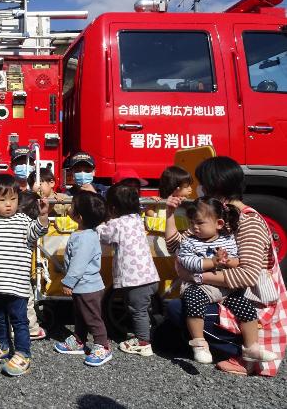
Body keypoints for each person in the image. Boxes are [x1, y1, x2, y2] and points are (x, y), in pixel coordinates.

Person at [165, 156, 287, 377]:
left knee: (178, 309)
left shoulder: (249, 222)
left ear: (215, 186)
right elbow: (176, 246)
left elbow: (248, 276)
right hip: (222, 291)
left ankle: (243, 353)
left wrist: (196, 276)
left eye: (202, 183)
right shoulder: (216, 215)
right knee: (174, 319)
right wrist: (170, 215)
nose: (199, 189)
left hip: (252, 299)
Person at [176, 197, 277, 365]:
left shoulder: (228, 240)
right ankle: (199, 343)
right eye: (192, 222)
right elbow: (187, 261)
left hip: (226, 288)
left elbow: (239, 260)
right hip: (202, 287)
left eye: (200, 223)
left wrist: (227, 261)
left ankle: (251, 347)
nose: (194, 227)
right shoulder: (190, 242)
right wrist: (212, 262)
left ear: (219, 224)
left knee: (246, 308)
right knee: (192, 301)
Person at [0, 174, 49, 376]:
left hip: (17, 285)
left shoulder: (24, 221)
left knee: (19, 321)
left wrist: (42, 216)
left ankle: (23, 354)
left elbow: (39, 231)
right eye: (2, 200)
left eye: (13, 199)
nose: (8, 204)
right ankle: (2, 344)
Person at [96, 183, 159, 357]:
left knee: (137, 310)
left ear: (113, 208)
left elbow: (105, 236)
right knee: (144, 309)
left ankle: (143, 342)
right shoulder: (137, 220)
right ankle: (148, 332)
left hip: (135, 280)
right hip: (150, 276)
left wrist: (99, 224)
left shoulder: (116, 224)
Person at [54, 191, 112, 366]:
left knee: (93, 317)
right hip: (85, 286)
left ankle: (103, 345)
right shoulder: (85, 234)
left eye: (71, 207)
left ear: (78, 216)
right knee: (81, 315)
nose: (69, 209)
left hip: (88, 286)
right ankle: (79, 340)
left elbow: (79, 264)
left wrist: (68, 281)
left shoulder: (85, 238)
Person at [16, 190, 48, 341]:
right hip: (21, 272)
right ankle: (32, 328)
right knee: (25, 301)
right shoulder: (28, 225)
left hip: (0, 272)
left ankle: (12, 328)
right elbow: (41, 229)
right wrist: (43, 216)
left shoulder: (3, 221)